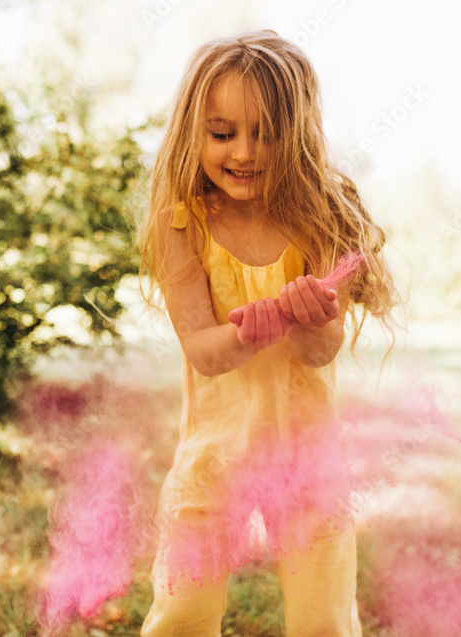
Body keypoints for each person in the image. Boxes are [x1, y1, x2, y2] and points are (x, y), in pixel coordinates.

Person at [136, 30, 398, 636]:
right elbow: (202, 350)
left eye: (268, 134)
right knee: (181, 611)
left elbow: (319, 350)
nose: (245, 153)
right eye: (223, 133)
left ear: (300, 135)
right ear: (193, 133)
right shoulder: (182, 224)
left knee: (324, 620)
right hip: (213, 456)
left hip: (308, 459)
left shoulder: (320, 217)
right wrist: (246, 336)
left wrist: (311, 318)